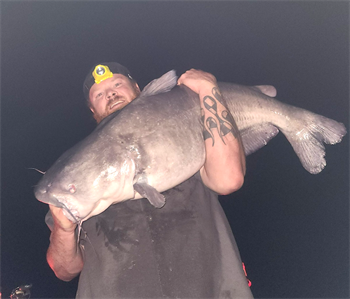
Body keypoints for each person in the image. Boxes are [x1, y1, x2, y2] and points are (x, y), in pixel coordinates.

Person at [46, 62, 253, 298]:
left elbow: (229, 179)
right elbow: (64, 270)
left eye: (117, 84)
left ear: (137, 87)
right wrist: (64, 229)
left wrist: (208, 88)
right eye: (99, 94)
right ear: (92, 110)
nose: (110, 93)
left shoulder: (185, 131)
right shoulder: (74, 174)